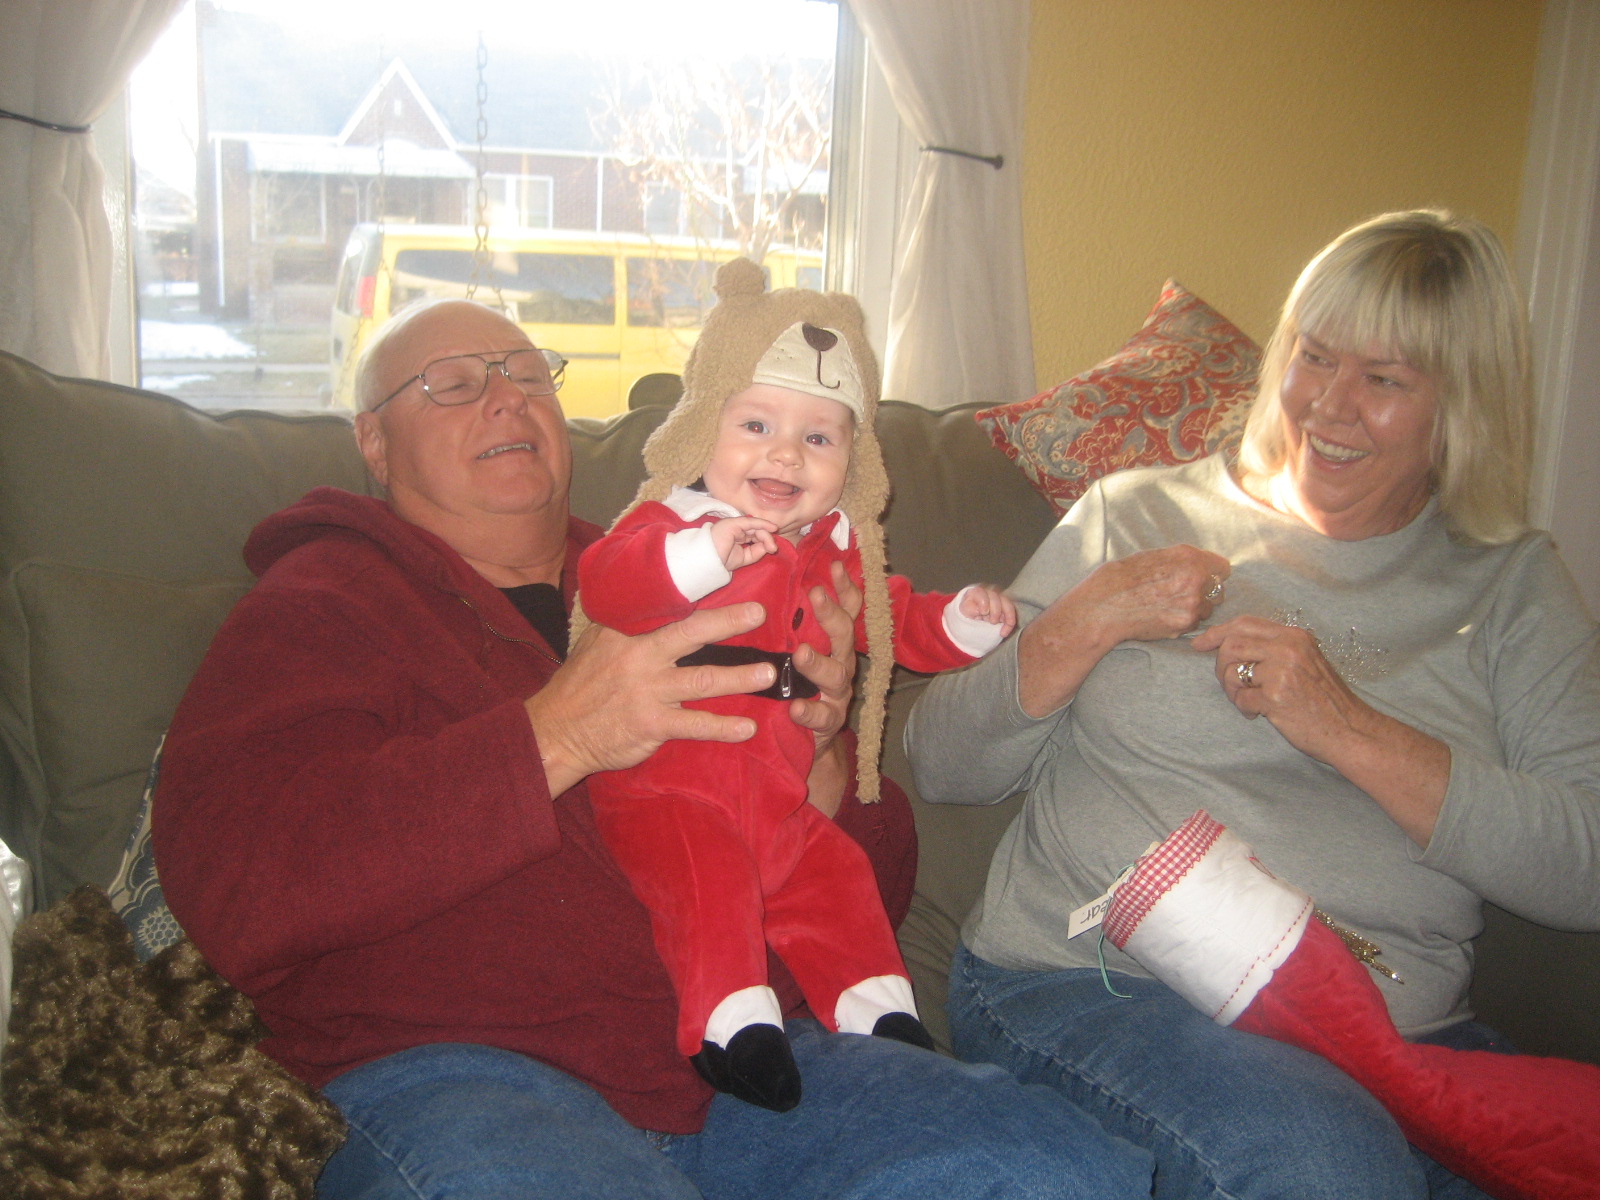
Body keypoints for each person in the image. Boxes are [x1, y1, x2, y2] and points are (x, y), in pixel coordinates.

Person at [151, 295, 1153, 1200]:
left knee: (1047, 1174)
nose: (505, 398)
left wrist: (825, 756)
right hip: (466, 1073)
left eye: (526, 373)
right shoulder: (323, 601)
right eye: (453, 384)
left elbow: (869, 890)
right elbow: (241, 885)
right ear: (373, 441)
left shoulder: (719, 564)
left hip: (772, 1063)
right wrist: (558, 734)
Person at [906, 209, 1600, 1199]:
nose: (1329, 405)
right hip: (1106, 992)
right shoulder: (1137, 514)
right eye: (1313, 357)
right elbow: (939, 761)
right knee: (1325, 1166)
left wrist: (1346, 729)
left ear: (1462, 403)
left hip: (1402, 1045)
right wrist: (1083, 618)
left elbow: (1586, 863)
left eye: (1385, 379)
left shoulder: (1512, 585)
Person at [576, 259, 1017, 1113]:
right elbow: (606, 583)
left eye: (819, 438)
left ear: (853, 460)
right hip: (667, 789)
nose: (785, 453)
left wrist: (962, 622)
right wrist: (702, 557)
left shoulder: (831, 553)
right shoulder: (674, 524)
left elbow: (888, 617)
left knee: (833, 874)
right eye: (755, 425)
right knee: (711, 885)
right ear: (702, 427)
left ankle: (878, 1011)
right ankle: (728, 1025)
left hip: (777, 796)